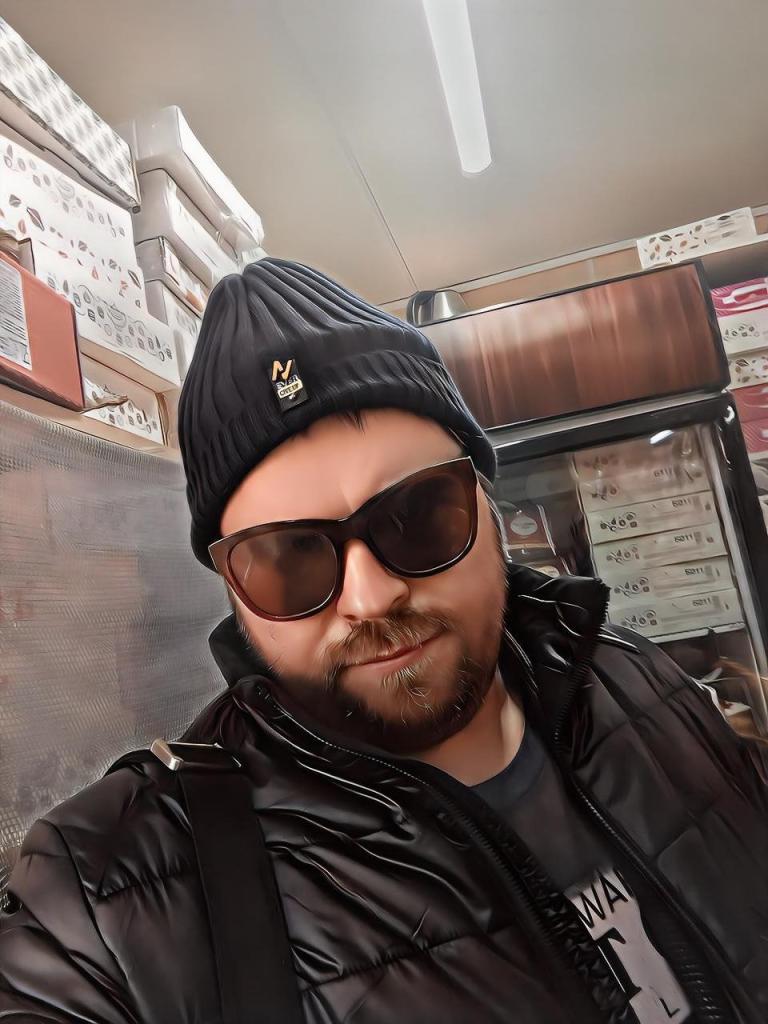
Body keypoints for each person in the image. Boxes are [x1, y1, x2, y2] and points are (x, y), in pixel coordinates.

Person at [1, 258, 767, 1024]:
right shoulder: (112, 893)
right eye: (291, 560)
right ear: (235, 594)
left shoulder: (639, 679)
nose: (371, 598)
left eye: (418, 516)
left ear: (491, 507)